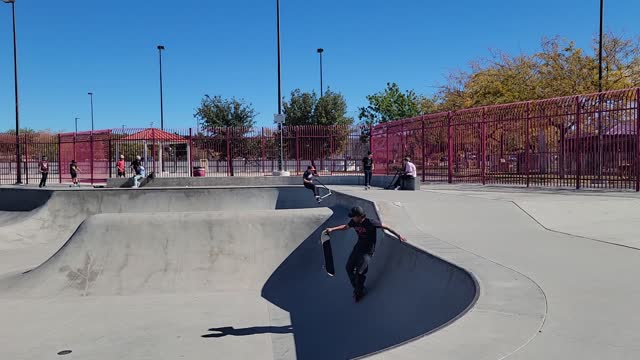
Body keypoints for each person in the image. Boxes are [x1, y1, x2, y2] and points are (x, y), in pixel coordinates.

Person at [324, 206, 405, 302]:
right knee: (348, 268)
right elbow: (345, 227)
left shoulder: (370, 222)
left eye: (353, 216)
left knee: (360, 272)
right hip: (357, 248)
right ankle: (358, 288)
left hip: (367, 252)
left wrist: (399, 235)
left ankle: (359, 291)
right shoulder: (354, 222)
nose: (352, 218)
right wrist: (332, 229)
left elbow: (385, 226)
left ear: (359, 216)